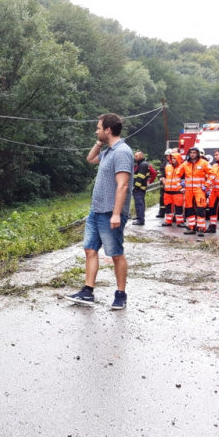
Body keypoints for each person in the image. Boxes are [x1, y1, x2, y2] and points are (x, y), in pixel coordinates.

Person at [62, 113, 133, 310]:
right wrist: (99, 143)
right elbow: (90, 158)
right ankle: (87, 291)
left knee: (116, 254)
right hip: (96, 211)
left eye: (99, 128)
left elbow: (123, 185)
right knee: (90, 249)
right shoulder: (109, 150)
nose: (96, 130)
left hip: (110, 212)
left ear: (108, 130)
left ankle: (120, 295)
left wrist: (117, 214)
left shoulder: (121, 152)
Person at [177, 146, 211, 236]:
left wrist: (207, 185)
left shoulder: (204, 163)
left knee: (200, 209)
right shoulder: (185, 164)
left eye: (194, 153)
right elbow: (177, 176)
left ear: (198, 154)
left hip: (199, 190)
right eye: (191, 153)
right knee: (189, 209)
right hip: (188, 191)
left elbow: (212, 174)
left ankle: (201, 228)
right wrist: (180, 187)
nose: (192, 154)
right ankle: (191, 227)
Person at [161, 150, 185, 227]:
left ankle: (180, 222)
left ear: (178, 158)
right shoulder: (167, 167)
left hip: (177, 191)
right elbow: (163, 176)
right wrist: (165, 184)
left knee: (178, 207)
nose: (173, 160)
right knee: (168, 207)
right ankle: (168, 221)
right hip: (167, 191)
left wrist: (182, 187)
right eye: (172, 158)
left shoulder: (182, 168)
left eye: (174, 158)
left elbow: (185, 179)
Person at [131, 151, 153, 225]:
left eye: (136, 156)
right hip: (140, 187)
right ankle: (139, 217)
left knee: (139, 204)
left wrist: (136, 187)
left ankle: (140, 220)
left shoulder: (143, 165)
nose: (135, 157)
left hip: (139, 188)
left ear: (141, 156)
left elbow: (140, 177)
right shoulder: (141, 164)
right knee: (140, 203)